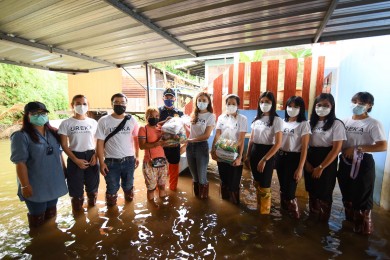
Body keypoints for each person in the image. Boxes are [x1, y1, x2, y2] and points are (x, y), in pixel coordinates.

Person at [10, 101, 68, 228]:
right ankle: (36, 242)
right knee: (37, 217)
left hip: (53, 181)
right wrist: (25, 186)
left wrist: (64, 171)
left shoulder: (53, 133)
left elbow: (59, 153)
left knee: (52, 215)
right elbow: (19, 162)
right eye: (35, 113)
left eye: (42, 113)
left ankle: (50, 240)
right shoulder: (20, 136)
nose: (39, 116)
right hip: (35, 184)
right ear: (27, 116)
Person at [337, 92, 387, 235]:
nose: (356, 105)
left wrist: (357, 149)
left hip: (363, 163)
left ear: (369, 105)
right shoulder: (344, 121)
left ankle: (363, 235)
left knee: (363, 199)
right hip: (345, 162)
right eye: (354, 101)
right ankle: (349, 230)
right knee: (347, 196)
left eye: (361, 103)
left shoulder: (373, 124)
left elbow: (382, 145)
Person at [304, 93, 346, 222]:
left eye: (326, 105)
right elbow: (303, 145)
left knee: (325, 192)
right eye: (319, 105)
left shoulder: (337, 124)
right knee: (312, 190)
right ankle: (312, 219)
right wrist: (306, 163)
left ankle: (323, 224)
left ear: (332, 107)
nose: (322, 108)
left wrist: (321, 167)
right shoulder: (309, 123)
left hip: (327, 159)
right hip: (310, 157)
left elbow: (336, 148)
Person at [95, 93, 139, 206]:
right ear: (112, 104)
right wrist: (101, 162)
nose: (120, 104)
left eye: (122, 102)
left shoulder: (132, 120)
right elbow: (99, 143)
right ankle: (112, 215)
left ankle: (129, 211)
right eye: (117, 102)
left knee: (129, 187)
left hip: (129, 160)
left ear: (126, 104)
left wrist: (137, 156)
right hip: (110, 162)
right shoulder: (103, 121)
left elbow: (136, 139)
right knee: (111, 189)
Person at [58, 95, 99, 214]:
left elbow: (98, 142)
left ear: (88, 106)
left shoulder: (93, 122)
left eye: (84, 104)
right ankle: (78, 217)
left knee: (92, 190)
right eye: (78, 103)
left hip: (91, 156)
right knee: (76, 193)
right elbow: (64, 145)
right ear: (72, 106)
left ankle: (93, 214)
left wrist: (96, 155)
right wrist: (76, 160)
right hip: (74, 156)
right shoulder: (66, 123)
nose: (81, 106)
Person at [245, 91, 283, 214]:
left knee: (265, 185)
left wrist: (265, 159)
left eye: (267, 102)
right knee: (257, 183)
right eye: (262, 102)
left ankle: (264, 215)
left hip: (268, 154)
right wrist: (247, 155)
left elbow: (278, 144)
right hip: (255, 152)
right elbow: (251, 138)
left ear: (273, 103)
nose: (264, 104)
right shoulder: (257, 119)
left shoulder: (277, 120)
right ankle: (259, 208)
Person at [276, 96, 311, 219]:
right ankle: (284, 214)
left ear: (301, 108)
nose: (292, 109)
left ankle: (294, 217)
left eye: (296, 106)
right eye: (289, 106)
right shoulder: (282, 122)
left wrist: (300, 168)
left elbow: (305, 148)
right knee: (283, 187)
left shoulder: (304, 124)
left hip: (294, 159)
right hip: (280, 157)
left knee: (290, 190)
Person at [211, 94, 247, 204]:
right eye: (228, 104)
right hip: (221, 152)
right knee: (224, 179)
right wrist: (213, 151)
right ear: (225, 105)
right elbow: (217, 135)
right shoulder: (221, 118)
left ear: (238, 105)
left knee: (234, 182)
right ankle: (225, 205)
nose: (231, 106)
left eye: (233, 104)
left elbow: (241, 139)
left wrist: (239, 157)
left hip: (235, 153)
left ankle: (235, 205)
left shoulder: (242, 119)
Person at [186, 92, 215, 199]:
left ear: (208, 103)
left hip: (201, 147)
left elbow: (206, 135)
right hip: (190, 147)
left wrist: (190, 140)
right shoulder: (194, 114)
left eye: (204, 100)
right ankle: (197, 202)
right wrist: (184, 127)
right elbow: (192, 131)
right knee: (195, 177)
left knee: (202, 177)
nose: (201, 102)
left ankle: (204, 203)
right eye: (199, 100)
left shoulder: (211, 116)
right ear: (196, 102)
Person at [138, 107, 168, 203]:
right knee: (151, 188)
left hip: (162, 161)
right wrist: (157, 144)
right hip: (149, 163)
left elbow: (160, 124)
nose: (154, 118)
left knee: (162, 186)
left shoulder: (160, 128)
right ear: (146, 117)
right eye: (151, 116)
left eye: (156, 116)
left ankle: (163, 206)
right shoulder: (143, 129)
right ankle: (151, 207)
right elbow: (142, 146)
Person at [158, 88, 184, 191]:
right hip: (160, 146)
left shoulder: (180, 113)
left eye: (171, 97)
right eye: (166, 97)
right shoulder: (158, 111)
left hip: (174, 146)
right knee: (159, 168)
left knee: (174, 167)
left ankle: (173, 188)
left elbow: (182, 130)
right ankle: (159, 189)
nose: (169, 99)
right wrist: (164, 121)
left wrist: (183, 141)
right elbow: (152, 126)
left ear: (175, 98)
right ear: (163, 98)